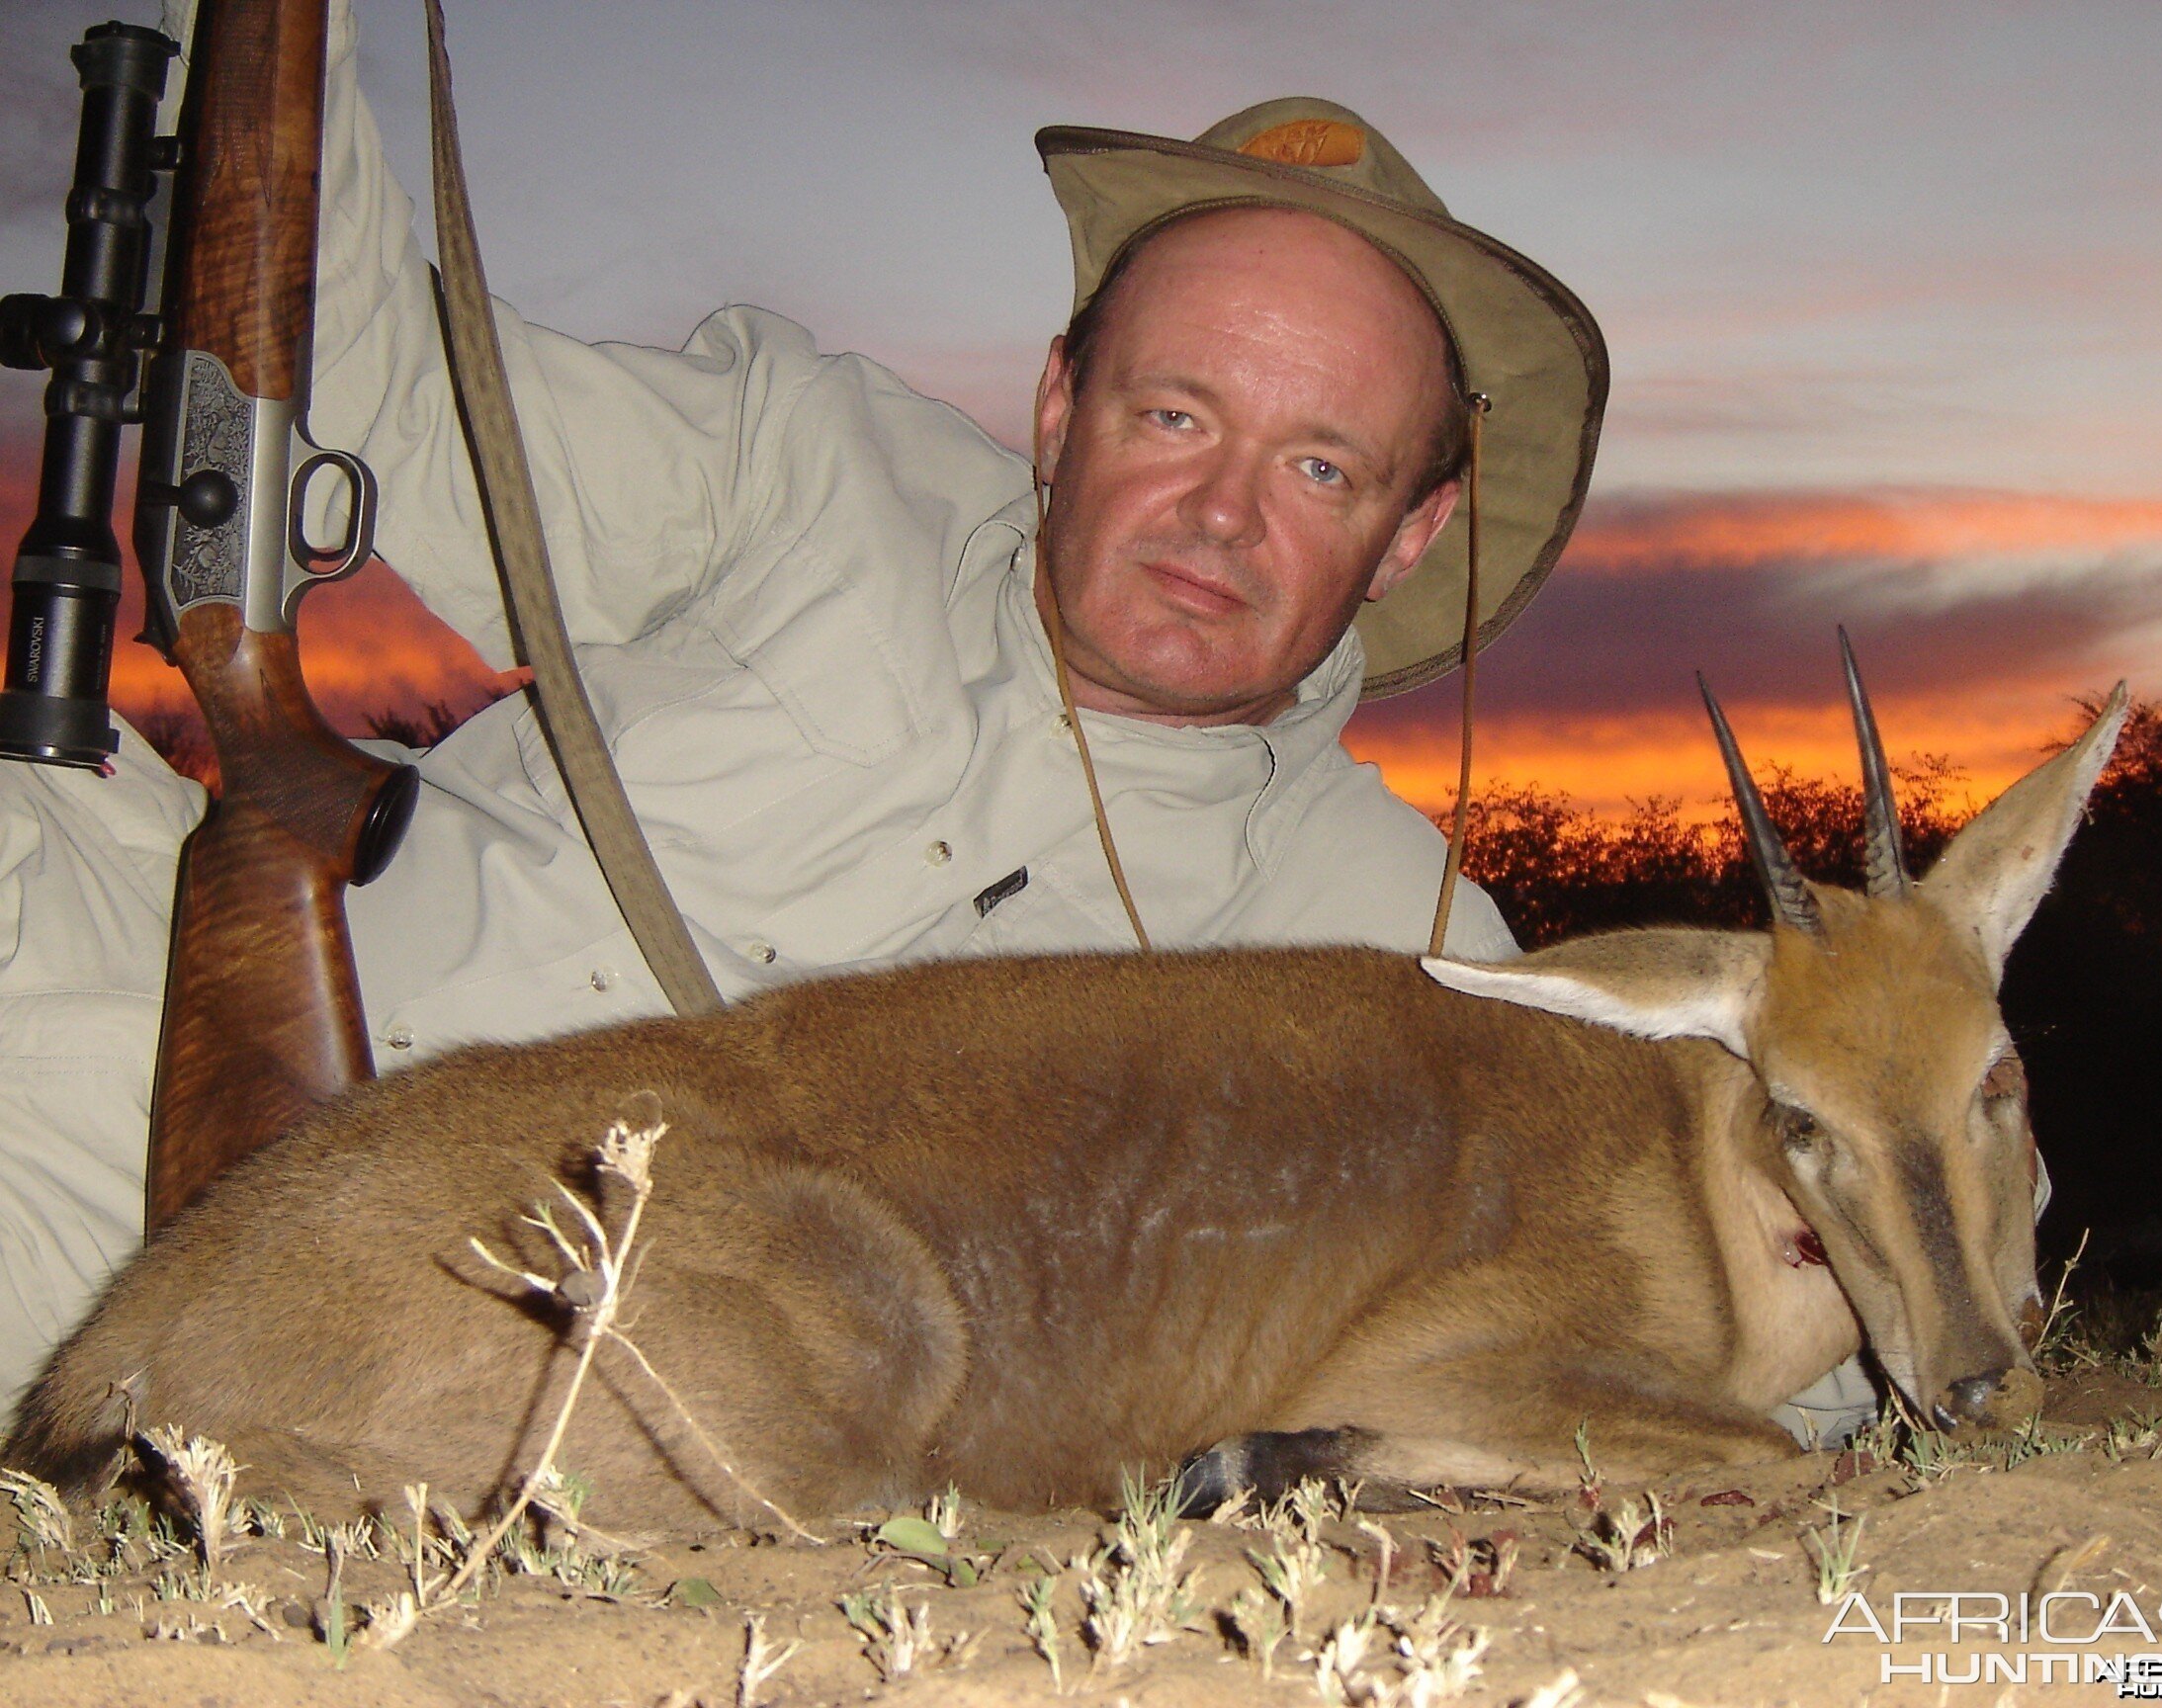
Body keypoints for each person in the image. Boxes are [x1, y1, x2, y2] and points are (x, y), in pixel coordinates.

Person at [0, 0, 1886, 1448]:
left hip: (595, 1389)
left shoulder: (1402, 950)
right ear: (1059, 409)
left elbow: (1735, 1286)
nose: (1220, 514)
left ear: (1409, 534)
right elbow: (372, 377)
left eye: (1317, 464)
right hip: (136, 1071)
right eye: (1172, 416)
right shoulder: (798, 457)